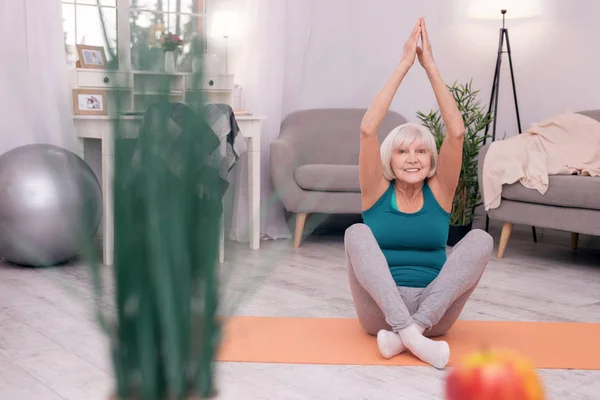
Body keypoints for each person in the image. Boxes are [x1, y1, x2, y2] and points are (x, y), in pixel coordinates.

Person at [345, 17, 493, 369]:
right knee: (356, 232)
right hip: (379, 312)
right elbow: (368, 129)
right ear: (389, 160)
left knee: (480, 239)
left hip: (435, 313)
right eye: (402, 151)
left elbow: (455, 134)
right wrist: (404, 64)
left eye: (421, 151)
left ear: (431, 161)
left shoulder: (440, 192)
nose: (412, 158)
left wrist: (430, 67)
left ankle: (409, 334)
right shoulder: (375, 192)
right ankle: (409, 335)